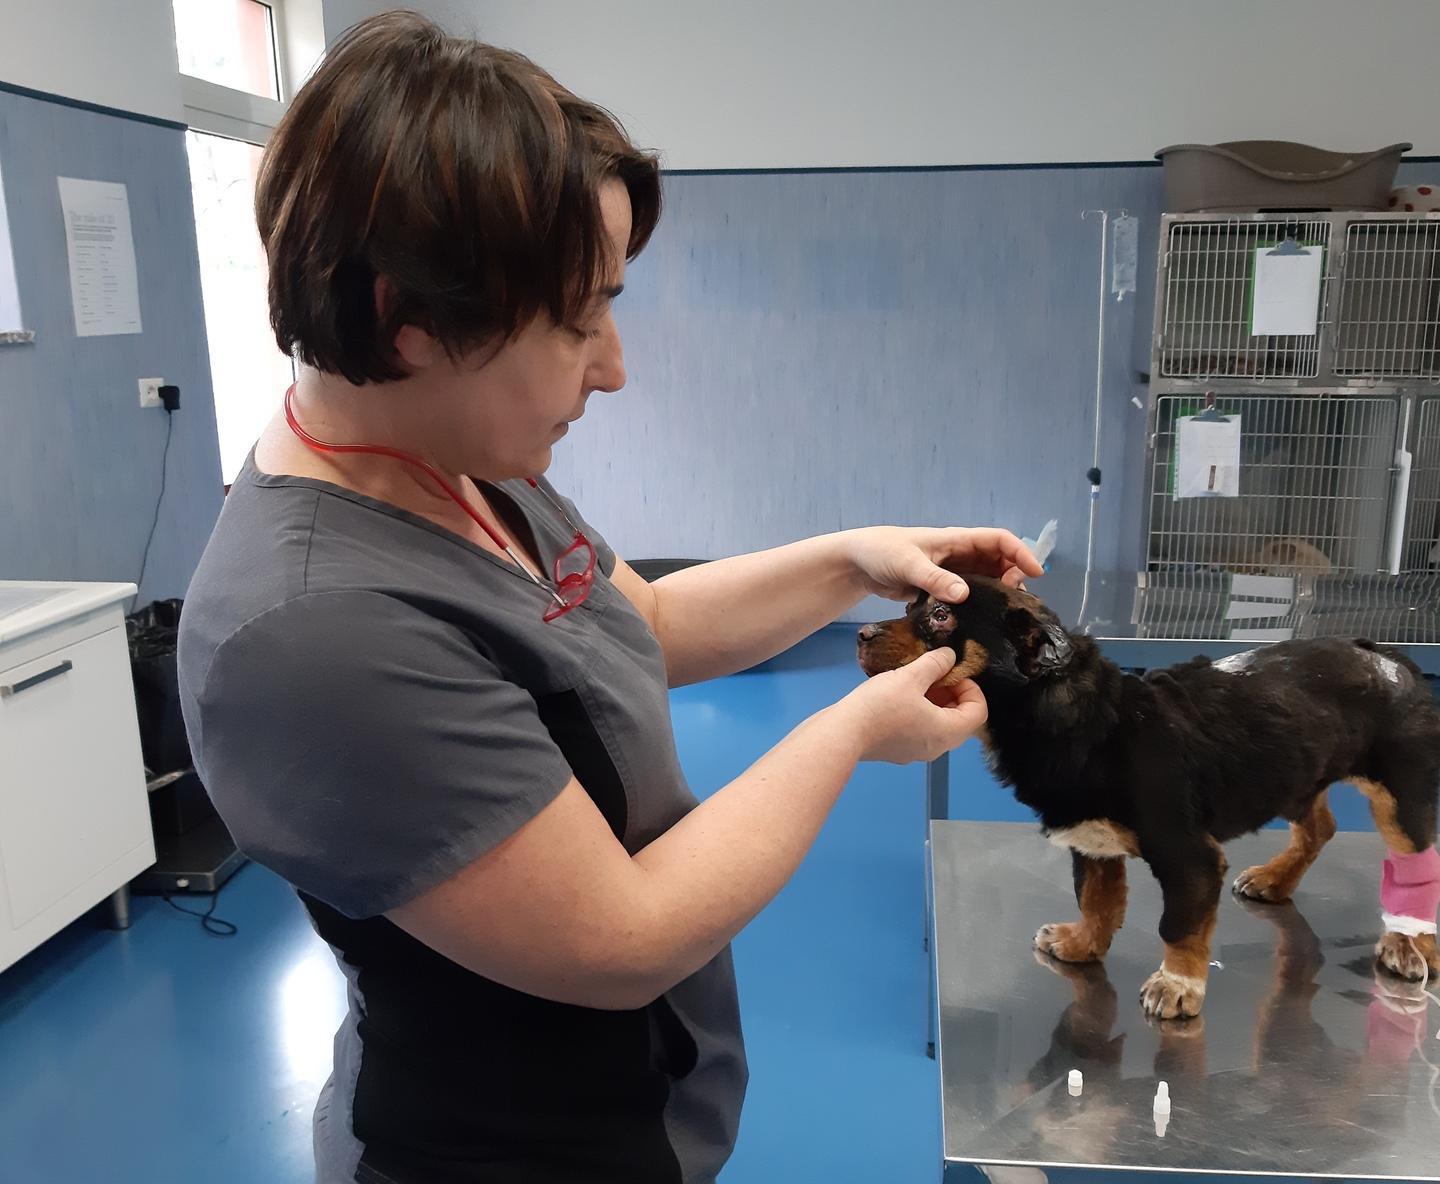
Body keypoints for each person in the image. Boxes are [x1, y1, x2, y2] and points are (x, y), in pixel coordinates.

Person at [177, 12, 1041, 1184]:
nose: (616, 364)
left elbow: (642, 621)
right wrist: (854, 729)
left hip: (630, 1111)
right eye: (579, 317)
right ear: (405, 319)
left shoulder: (458, 461)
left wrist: (852, 557)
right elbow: (620, 935)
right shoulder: (318, 633)